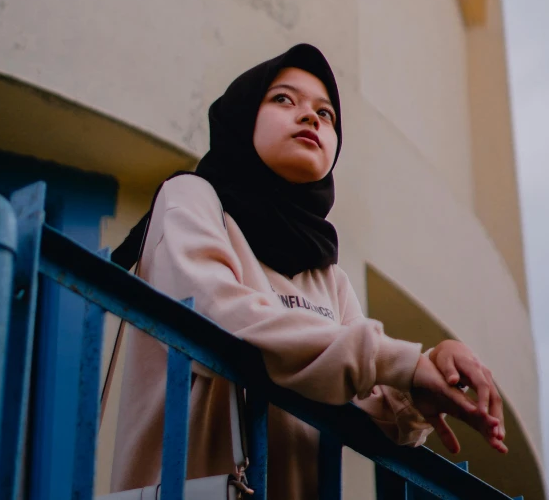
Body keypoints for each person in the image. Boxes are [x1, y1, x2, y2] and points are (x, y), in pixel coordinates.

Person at [110, 44, 506, 499]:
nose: (311, 117)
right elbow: (217, 316)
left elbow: (369, 398)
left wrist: (424, 382)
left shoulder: (327, 276)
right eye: (283, 99)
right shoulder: (191, 199)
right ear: (242, 117)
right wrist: (400, 363)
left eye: (326, 113)